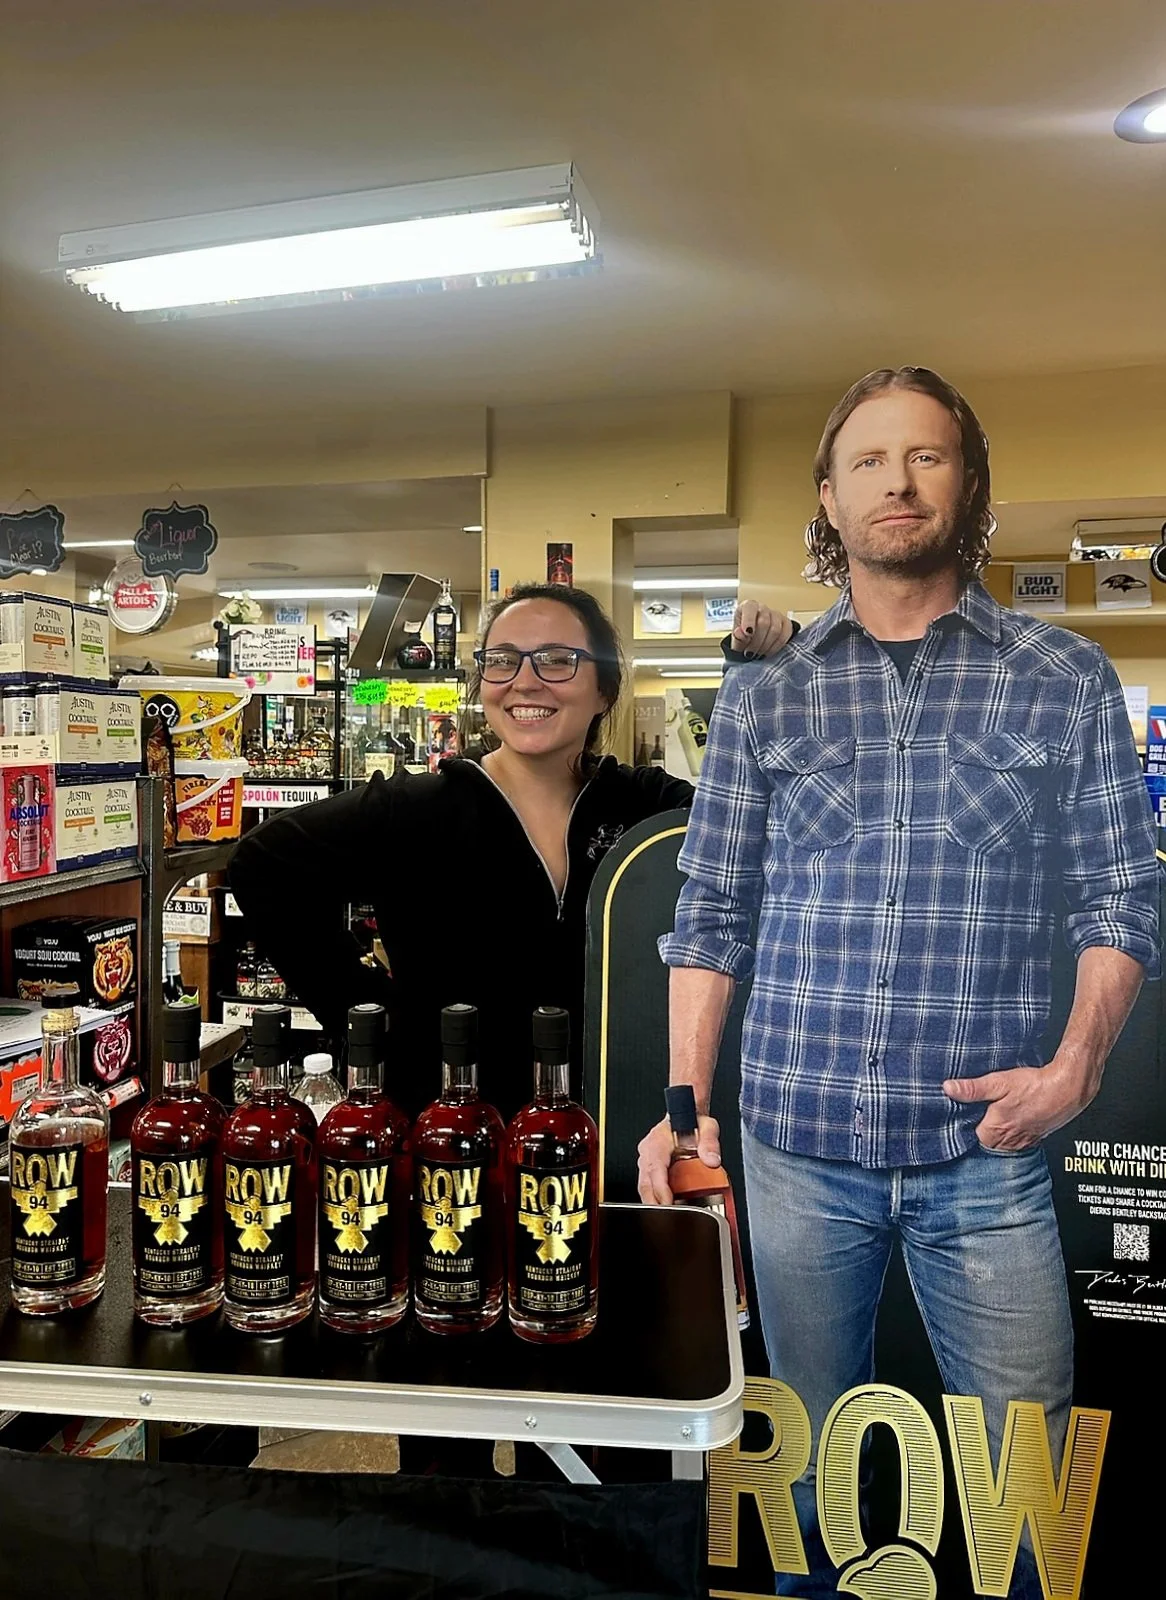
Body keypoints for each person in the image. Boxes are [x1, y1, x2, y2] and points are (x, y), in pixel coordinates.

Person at [637, 366, 1160, 1598]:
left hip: (985, 1153)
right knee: (807, 1479)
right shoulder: (768, 688)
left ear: (965, 482)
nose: (896, 481)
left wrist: (1075, 1065)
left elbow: (1117, 896)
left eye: (924, 456)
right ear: (828, 494)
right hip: (794, 1148)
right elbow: (708, 911)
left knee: (1020, 1490)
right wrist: (680, 1105)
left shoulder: (1062, 675)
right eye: (868, 460)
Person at [229, 582, 792, 1120]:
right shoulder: (416, 807)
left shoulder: (643, 805)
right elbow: (262, 865)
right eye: (503, 660)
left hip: (616, 1126)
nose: (526, 681)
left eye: (556, 659)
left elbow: (767, 822)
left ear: (604, 690)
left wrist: (768, 671)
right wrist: (371, 1016)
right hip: (451, 1135)